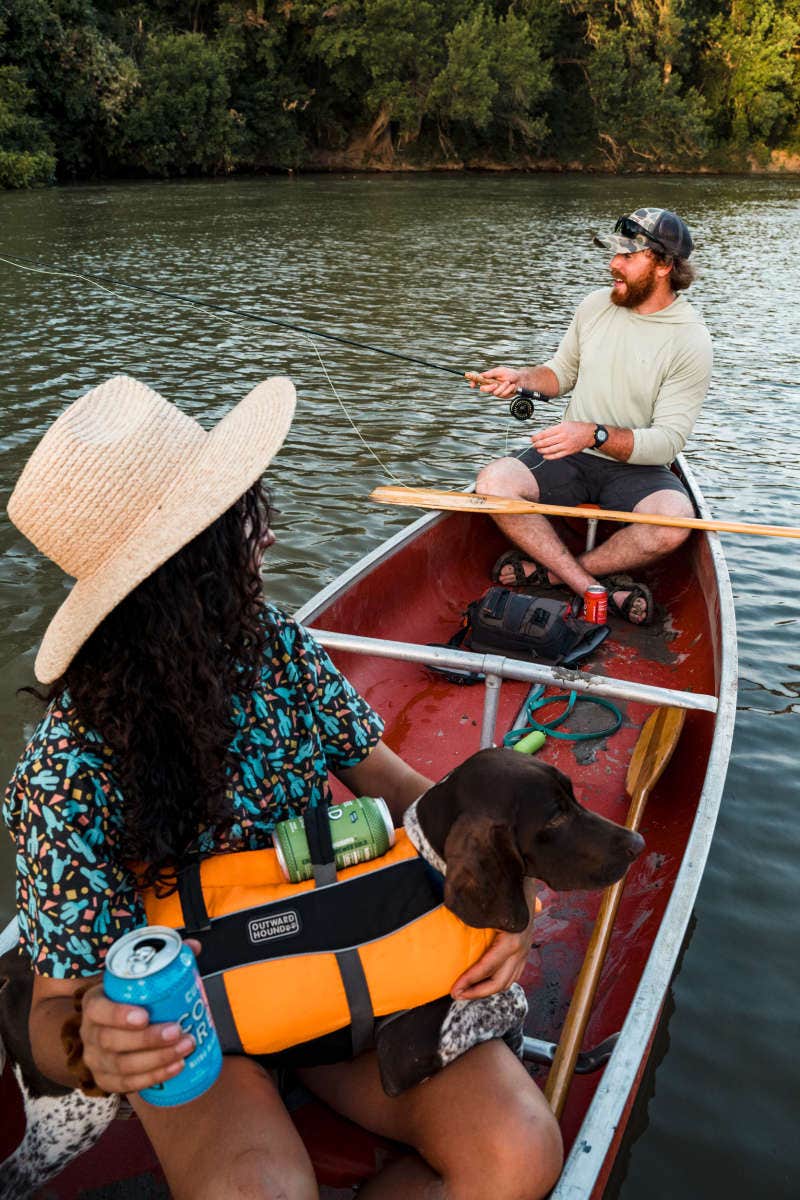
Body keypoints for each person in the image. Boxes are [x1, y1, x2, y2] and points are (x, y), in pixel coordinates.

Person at [2, 374, 562, 1200]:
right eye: (242, 521)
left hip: (341, 955)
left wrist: (506, 887)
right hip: (199, 1031)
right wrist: (92, 1042)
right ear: (182, 574)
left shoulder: (279, 650)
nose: (268, 535)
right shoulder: (64, 772)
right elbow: (58, 1009)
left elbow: (406, 791)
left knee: (517, 1153)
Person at [473, 207, 713, 625]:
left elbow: (669, 442)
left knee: (675, 521)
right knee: (494, 482)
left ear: (664, 266)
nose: (613, 264)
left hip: (636, 466)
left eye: (627, 255)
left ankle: (550, 573)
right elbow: (560, 374)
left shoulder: (690, 339)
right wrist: (520, 377)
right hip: (571, 454)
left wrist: (595, 434)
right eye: (615, 252)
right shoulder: (595, 306)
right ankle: (586, 585)